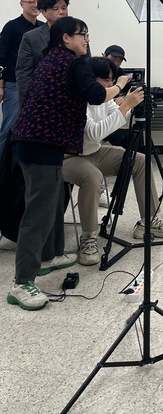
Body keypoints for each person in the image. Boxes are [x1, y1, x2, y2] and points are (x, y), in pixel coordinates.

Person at [7, 18, 132, 311]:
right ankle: (21, 283)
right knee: (37, 214)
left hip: (38, 144)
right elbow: (97, 95)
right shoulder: (74, 63)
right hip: (40, 146)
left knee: (50, 205)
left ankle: (46, 258)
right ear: (66, 38)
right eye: (82, 34)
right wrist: (120, 86)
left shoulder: (50, 60)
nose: (86, 39)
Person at [62, 57, 163, 266]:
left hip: (95, 152)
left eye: (112, 81)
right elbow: (94, 133)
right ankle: (89, 237)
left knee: (140, 160)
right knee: (93, 177)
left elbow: (117, 121)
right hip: (70, 157)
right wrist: (125, 106)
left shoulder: (105, 98)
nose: (110, 85)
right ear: (91, 79)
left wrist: (130, 106)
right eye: (106, 80)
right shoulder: (79, 98)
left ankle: (148, 221)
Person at [0, 0, 42, 166]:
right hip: (14, 84)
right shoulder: (12, 27)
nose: (35, 5)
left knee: (33, 129)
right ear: (21, 4)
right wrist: (1, 85)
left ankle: (21, 170)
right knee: (9, 128)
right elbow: (1, 55)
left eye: (38, 1)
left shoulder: (43, 28)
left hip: (38, 86)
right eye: (30, 1)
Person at [15, 0, 70, 106]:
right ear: (43, 12)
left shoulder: (76, 33)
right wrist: (26, 103)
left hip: (71, 96)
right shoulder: (31, 37)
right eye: (55, 9)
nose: (61, 12)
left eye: (64, 8)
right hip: (41, 98)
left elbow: (86, 63)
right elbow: (24, 73)